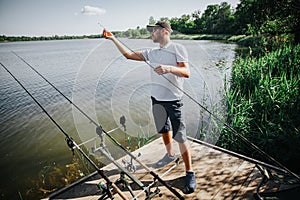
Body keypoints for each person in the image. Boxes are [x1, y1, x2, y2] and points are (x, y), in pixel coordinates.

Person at [103, 21, 196, 194]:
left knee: (180, 136)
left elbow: (186, 72)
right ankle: (169, 155)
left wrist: (168, 68)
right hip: (156, 100)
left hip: (174, 100)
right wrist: (113, 39)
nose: (151, 34)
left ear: (163, 31)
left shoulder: (178, 48)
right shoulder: (152, 53)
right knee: (163, 129)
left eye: (153, 31)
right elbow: (129, 55)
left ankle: (189, 172)